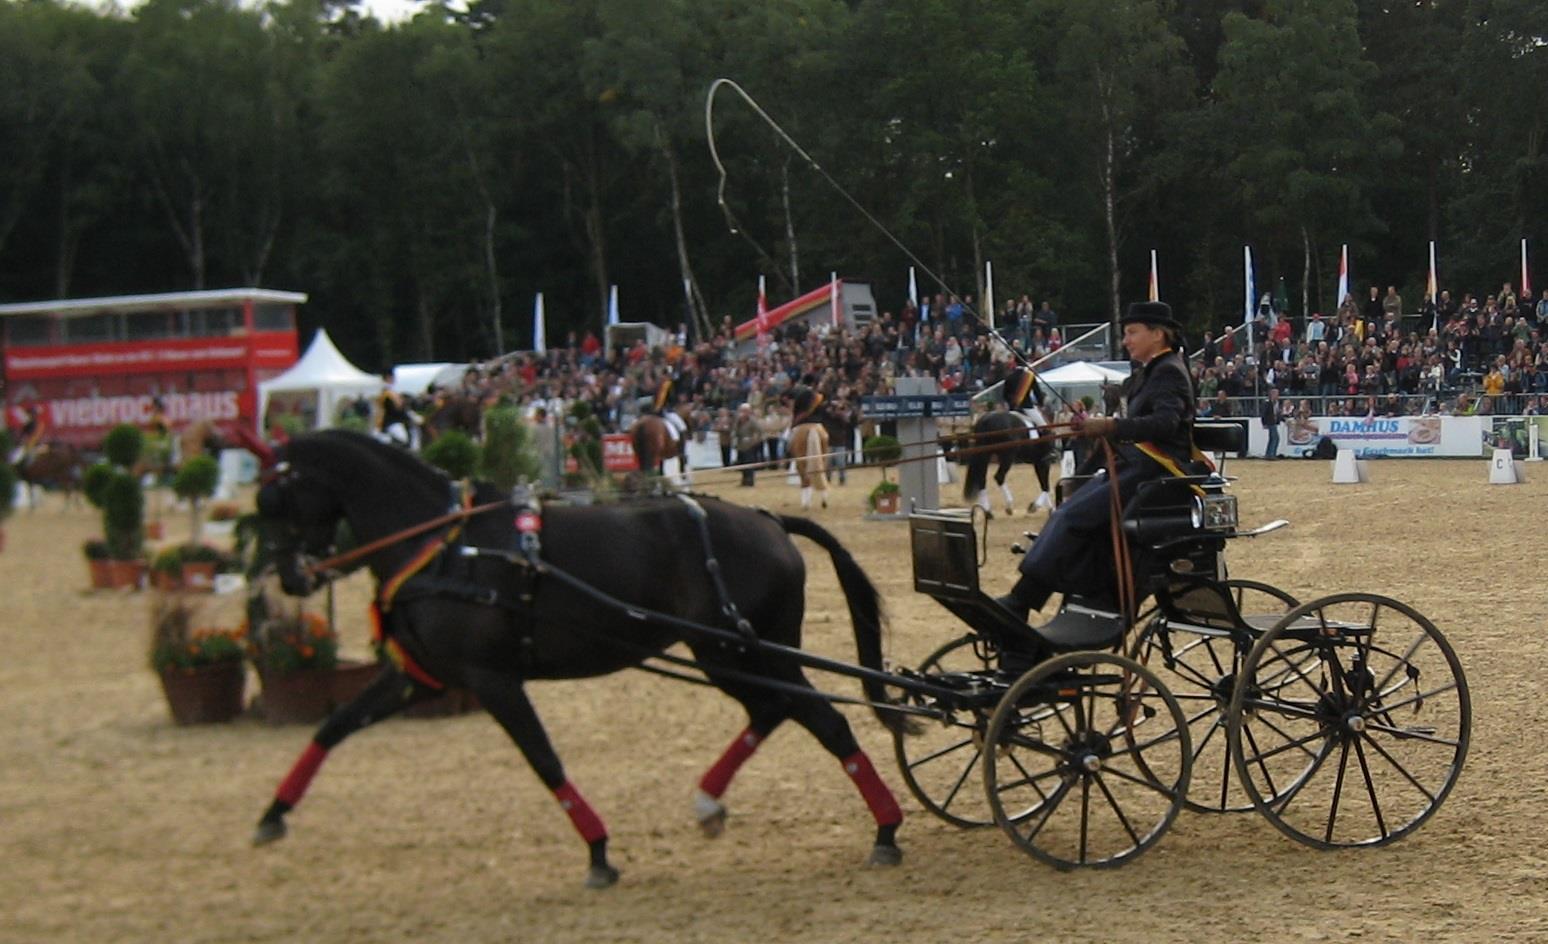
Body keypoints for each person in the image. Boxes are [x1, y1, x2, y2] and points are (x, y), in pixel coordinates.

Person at [995, 301, 1199, 623]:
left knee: (1071, 516)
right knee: (1067, 509)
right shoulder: (1151, 372)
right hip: (1134, 467)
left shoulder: (1169, 371)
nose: (1126, 340)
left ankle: (1022, 600)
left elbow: (1165, 424)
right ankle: (1050, 595)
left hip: (1156, 473)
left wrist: (1108, 426)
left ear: (1158, 334)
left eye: (1132, 332)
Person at [1260, 386, 1282, 459]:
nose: (1277, 395)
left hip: (1273, 422)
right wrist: (1264, 423)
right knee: (1275, 438)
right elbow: (1264, 413)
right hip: (1271, 422)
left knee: (1272, 438)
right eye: (1276, 394)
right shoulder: (1268, 403)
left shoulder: (1276, 403)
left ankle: (1269, 454)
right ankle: (1271, 454)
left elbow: (1278, 413)